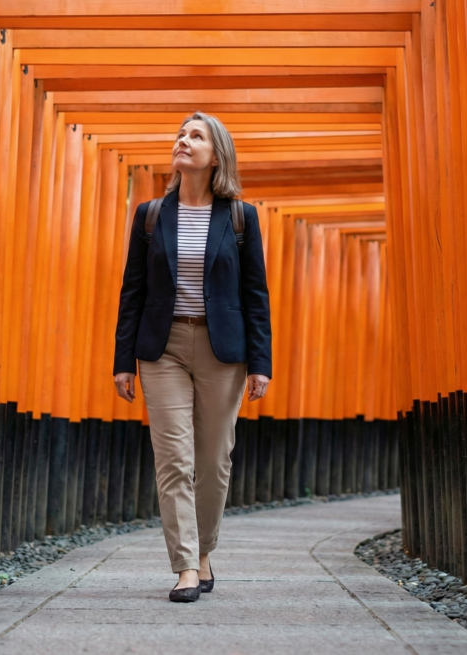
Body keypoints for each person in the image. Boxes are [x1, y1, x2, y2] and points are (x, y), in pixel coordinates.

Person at [112, 111, 273, 603]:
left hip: (224, 352)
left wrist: (261, 362)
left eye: (196, 136)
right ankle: (185, 566)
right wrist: (123, 360)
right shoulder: (150, 215)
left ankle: (204, 552)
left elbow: (255, 294)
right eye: (181, 134)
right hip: (162, 349)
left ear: (216, 155)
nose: (183, 140)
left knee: (214, 461)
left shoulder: (241, 218)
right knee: (174, 460)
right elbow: (133, 291)